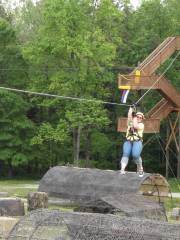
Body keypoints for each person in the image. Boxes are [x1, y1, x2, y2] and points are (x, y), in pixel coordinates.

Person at [120, 106, 145, 177]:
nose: (139, 118)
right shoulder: (130, 123)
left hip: (137, 141)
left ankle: (140, 167)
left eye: (141, 118)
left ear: (142, 119)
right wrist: (131, 108)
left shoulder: (141, 125)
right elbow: (129, 116)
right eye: (138, 117)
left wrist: (134, 117)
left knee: (135, 155)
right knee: (126, 153)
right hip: (128, 141)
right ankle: (122, 169)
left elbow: (135, 125)